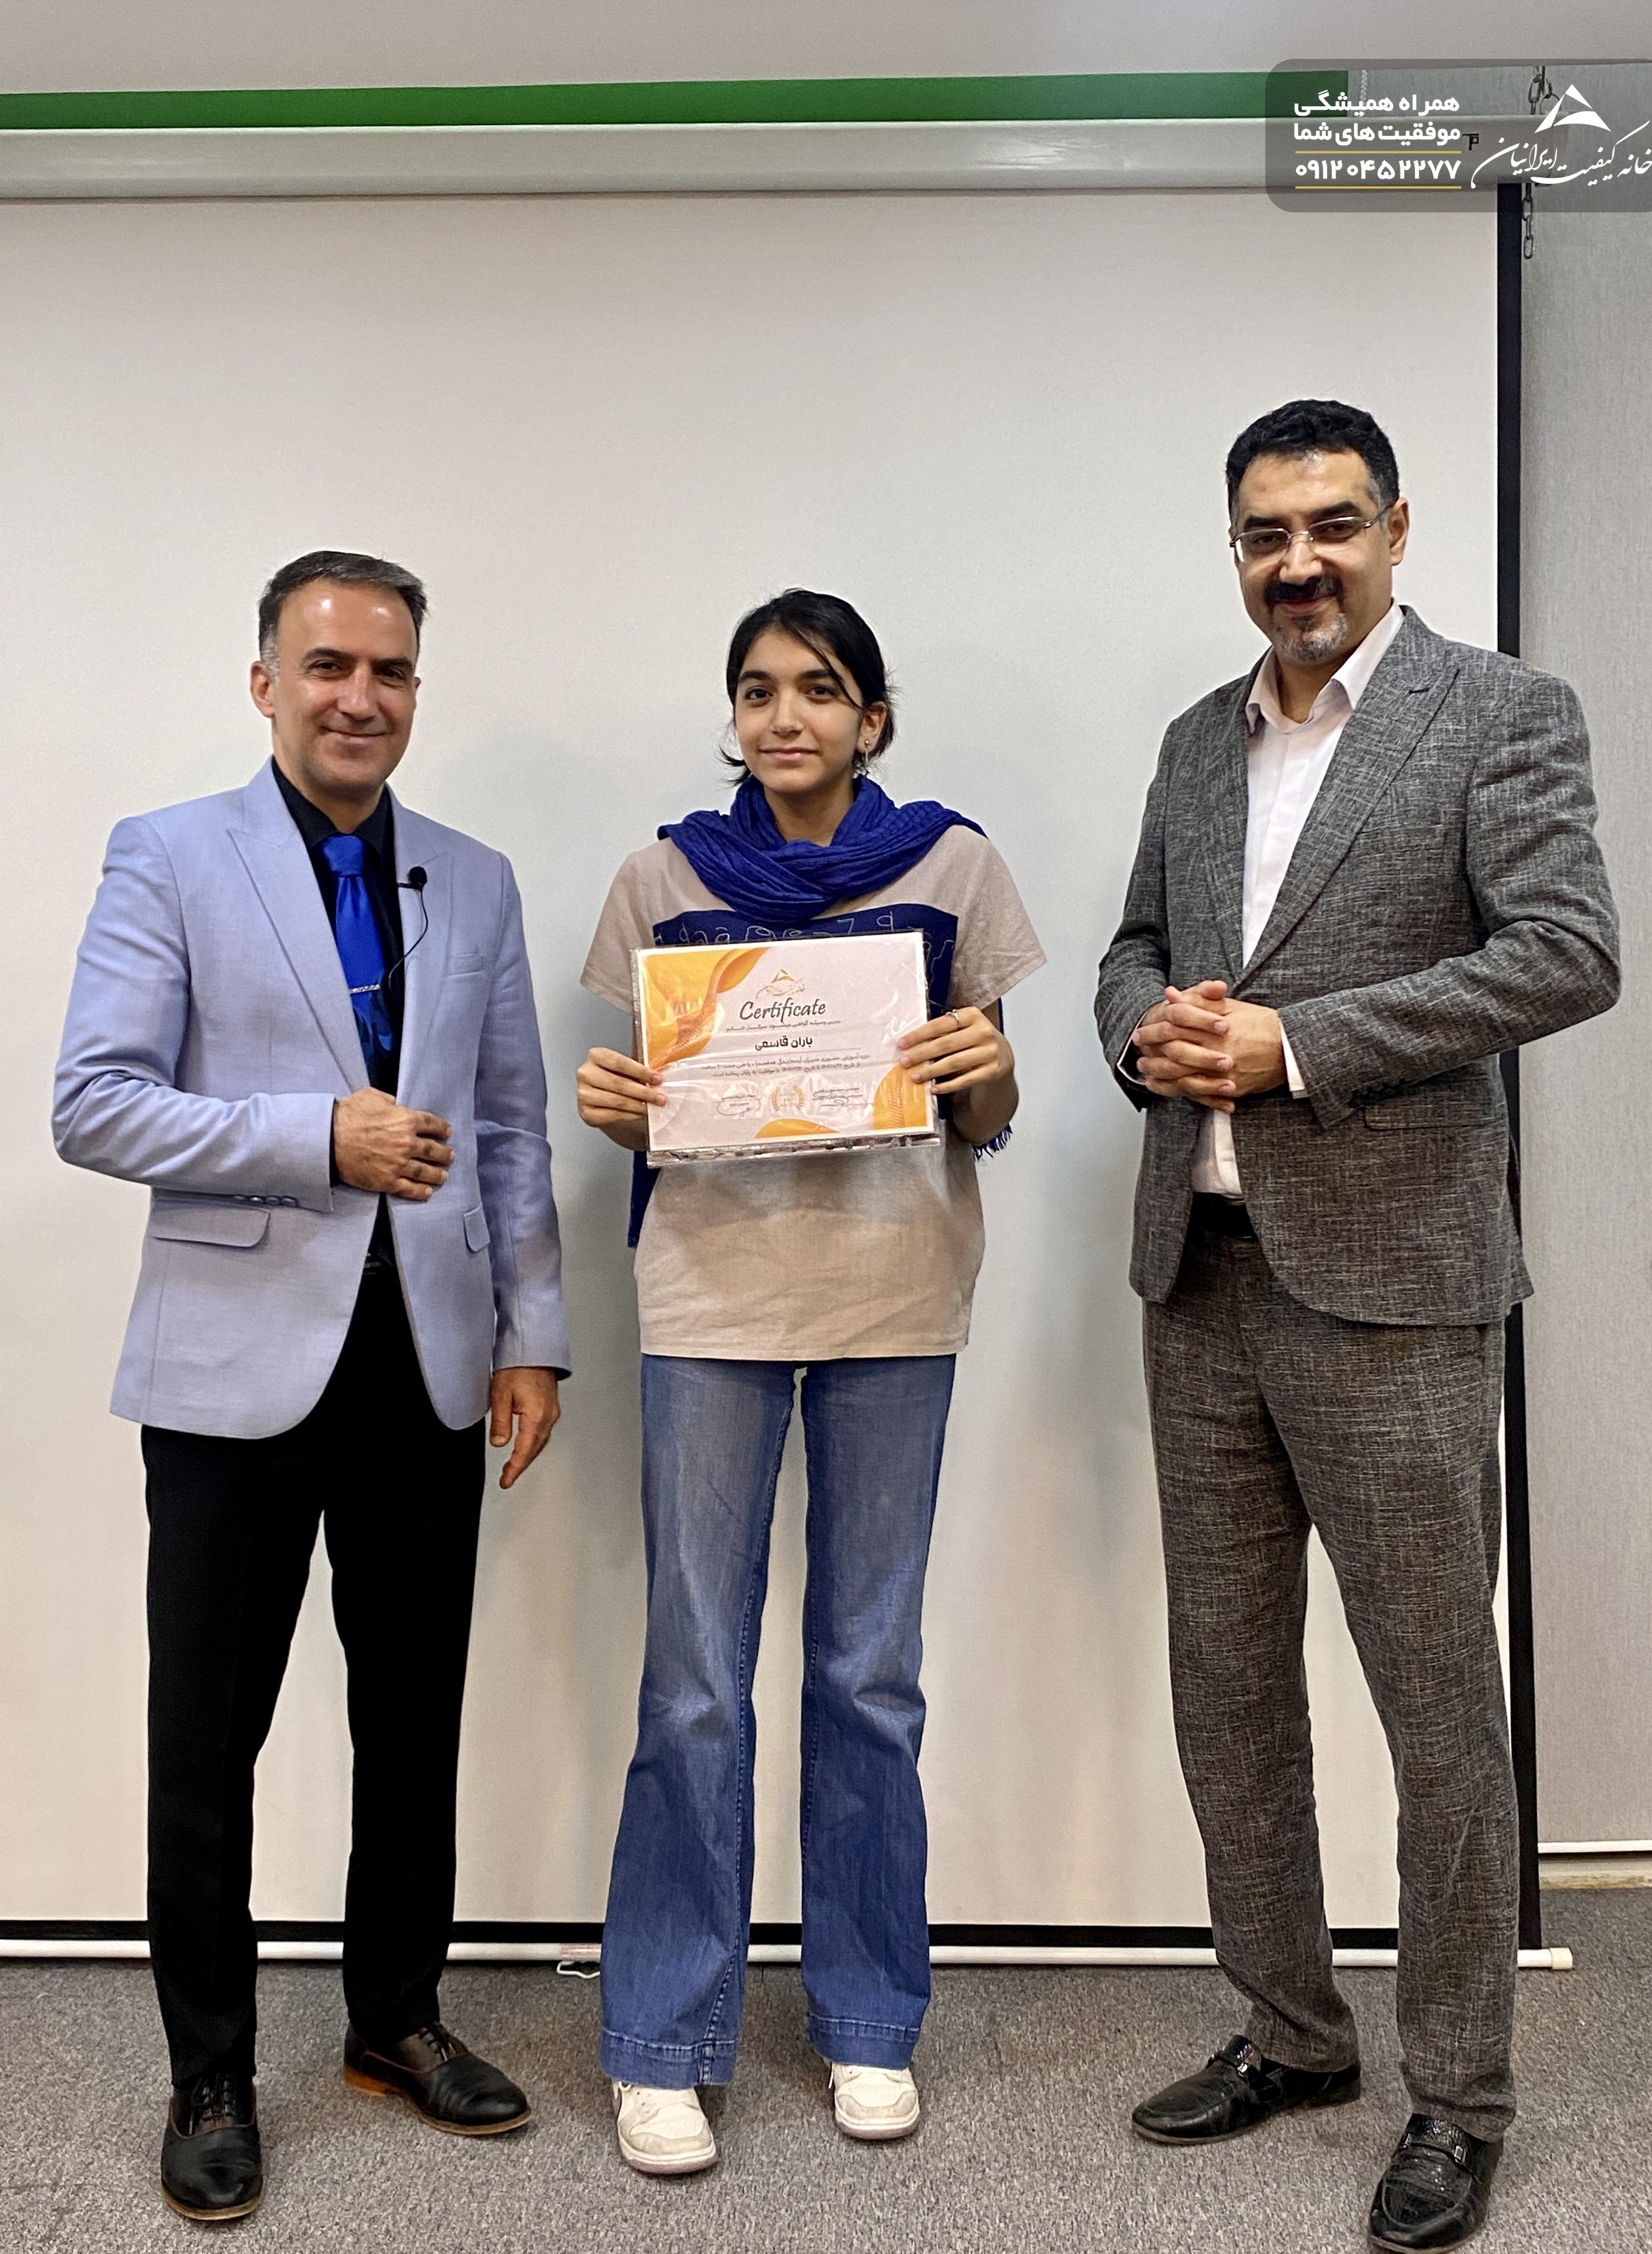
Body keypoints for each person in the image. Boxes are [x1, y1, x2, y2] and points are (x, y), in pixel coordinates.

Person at [1094, 401, 1618, 2252]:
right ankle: (1293, 2031)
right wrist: (1145, 1028)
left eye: (1330, 524)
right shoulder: (1196, 739)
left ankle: (1458, 2095)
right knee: (1230, 1694)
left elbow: (1566, 951)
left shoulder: (1501, 714)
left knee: (1436, 1710)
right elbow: (1132, 948)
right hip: (1204, 1278)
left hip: (1398, 1289)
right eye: (1265, 533)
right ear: (1235, 549)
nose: (1297, 560)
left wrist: (1295, 1046)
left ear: (1397, 527)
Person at [54, 551, 570, 2224]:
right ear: (265, 681)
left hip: (428, 1363)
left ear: (418, 688)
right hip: (231, 1376)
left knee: (411, 1719)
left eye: (391, 670)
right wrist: (313, 1137)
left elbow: (508, 1126)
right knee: (209, 1738)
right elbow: (93, 1102)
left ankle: (393, 2020)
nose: (362, 697)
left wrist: (532, 1332)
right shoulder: (169, 854)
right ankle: (209, 2069)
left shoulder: (474, 879)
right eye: (330, 665)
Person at [575, 588, 1043, 2175]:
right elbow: (646, 1101)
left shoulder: (953, 868)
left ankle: (867, 2018)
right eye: (760, 690)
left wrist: (991, 1077)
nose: (787, 717)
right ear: (735, 717)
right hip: (708, 1298)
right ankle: (661, 2039)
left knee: (868, 1674)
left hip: (897, 1297)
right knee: (693, 1681)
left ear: (872, 719)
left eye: (821, 690)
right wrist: (621, 1105)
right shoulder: (662, 877)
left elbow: (988, 1115)